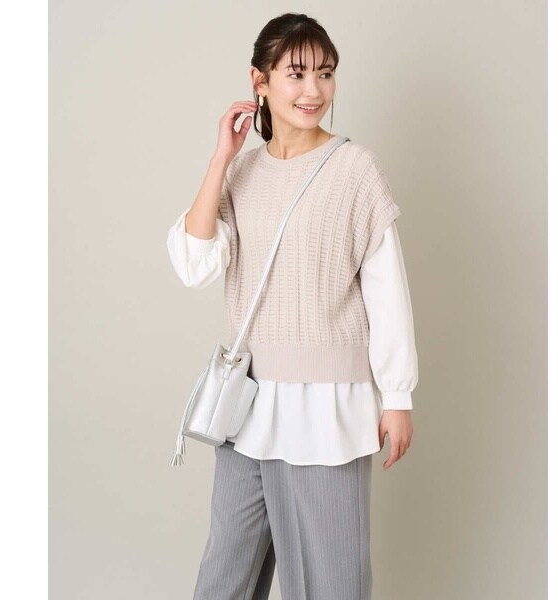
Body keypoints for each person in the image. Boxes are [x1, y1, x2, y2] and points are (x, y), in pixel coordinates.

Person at [166, 12, 418, 600]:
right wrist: (220, 158)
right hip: (247, 405)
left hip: (325, 407)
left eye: (325, 74)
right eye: (296, 73)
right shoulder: (242, 172)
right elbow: (193, 264)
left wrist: (398, 395)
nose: (314, 90)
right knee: (224, 576)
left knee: (329, 581)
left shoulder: (356, 170)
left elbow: (387, 291)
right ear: (259, 81)